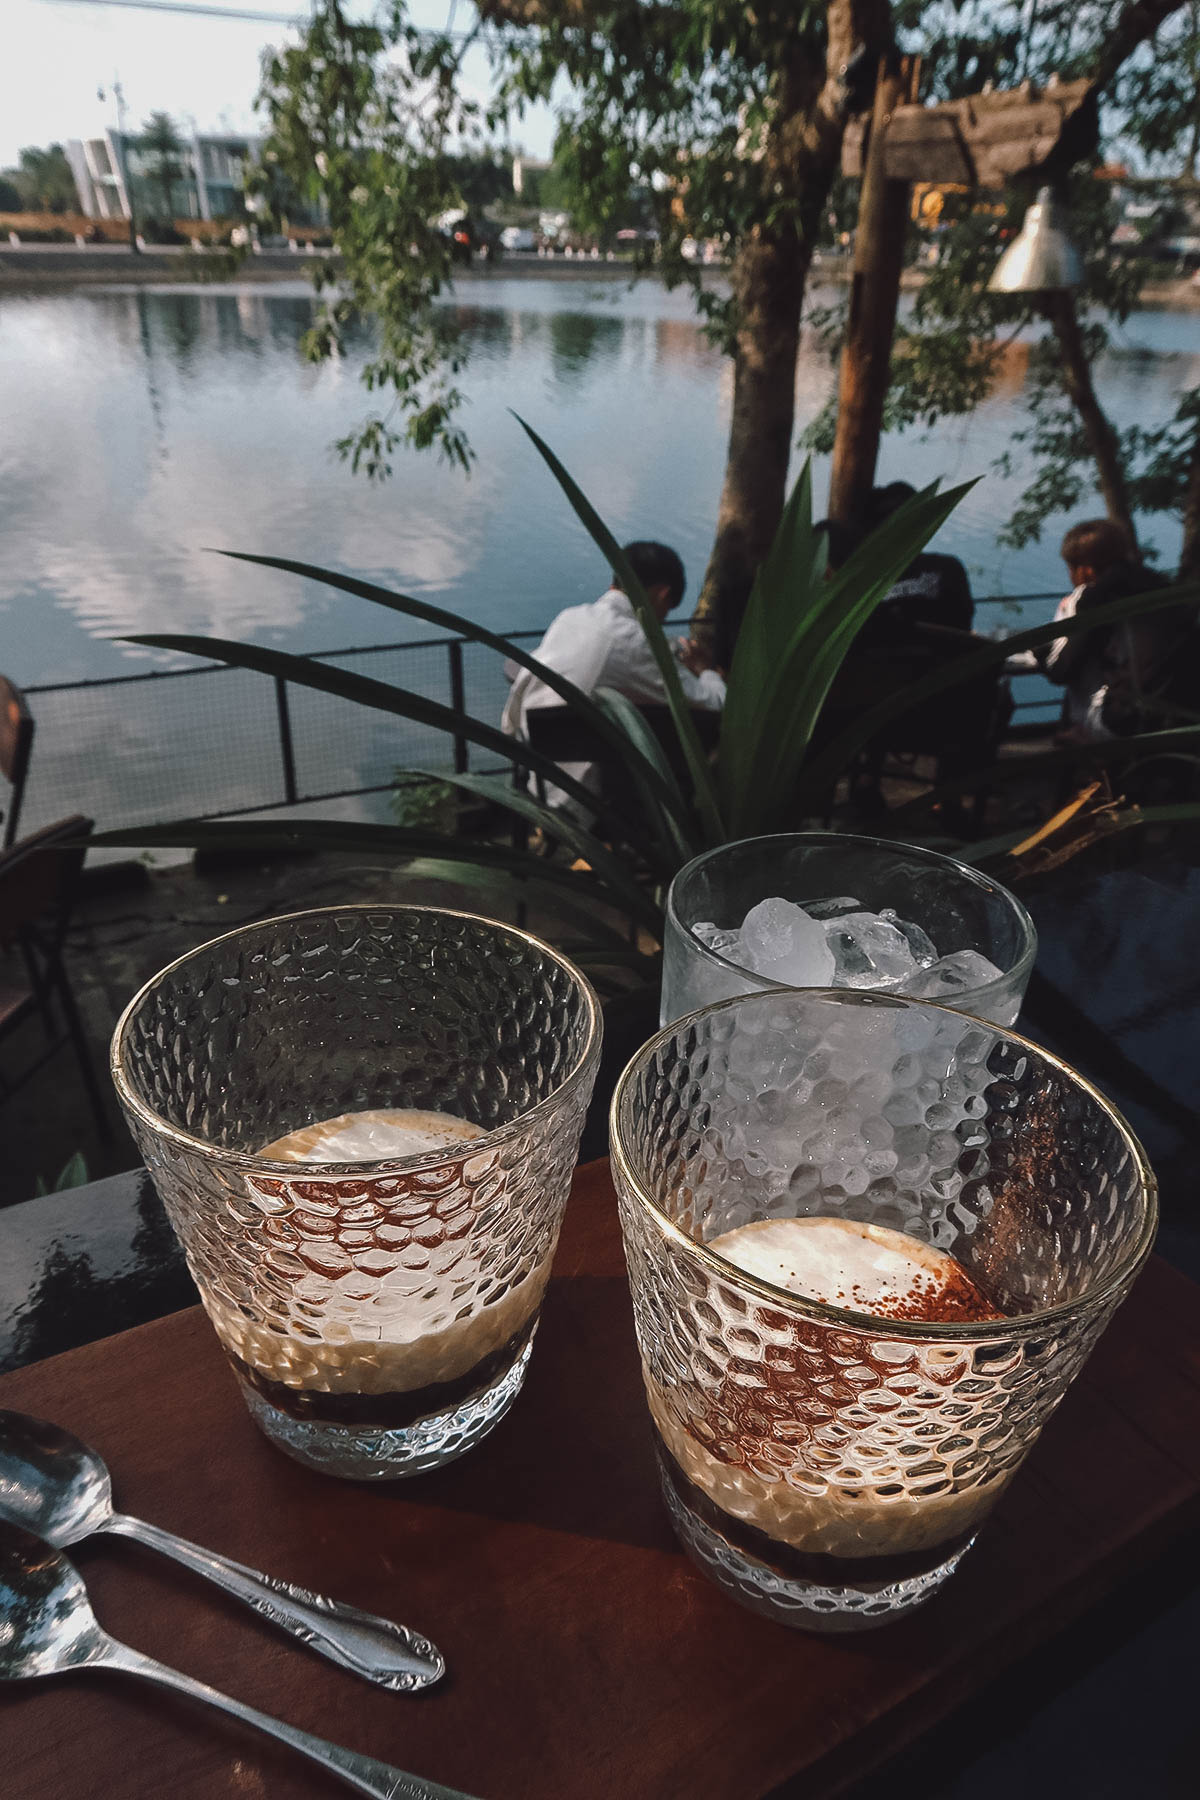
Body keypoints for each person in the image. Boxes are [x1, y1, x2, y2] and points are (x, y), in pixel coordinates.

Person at [502, 541, 724, 815]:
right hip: (602, 801)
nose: (662, 620)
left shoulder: (570, 618)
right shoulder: (638, 643)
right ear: (662, 594)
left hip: (538, 776)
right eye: (666, 611)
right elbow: (714, 705)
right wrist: (707, 672)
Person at [1039, 518, 1187, 742]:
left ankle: (1086, 760)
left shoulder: (1094, 598)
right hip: (1176, 707)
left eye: (1071, 569)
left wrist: (1037, 648)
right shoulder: (1163, 588)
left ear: (1085, 571)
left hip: (1125, 718)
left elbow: (1060, 669)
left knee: (1076, 696)